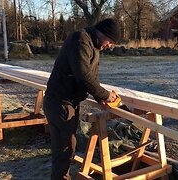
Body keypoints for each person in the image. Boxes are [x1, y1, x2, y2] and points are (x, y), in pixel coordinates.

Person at [43, 18, 120, 180]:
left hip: (68, 102)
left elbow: (91, 76)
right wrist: (105, 95)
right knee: (64, 149)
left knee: (66, 147)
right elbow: (83, 75)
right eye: (110, 41)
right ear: (103, 33)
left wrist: (99, 97)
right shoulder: (80, 40)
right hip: (60, 102)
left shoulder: (94, 45)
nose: (110, 46)